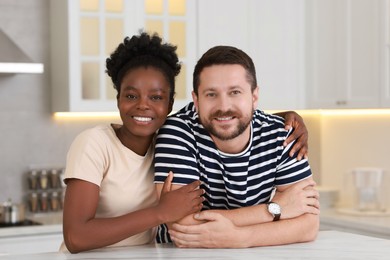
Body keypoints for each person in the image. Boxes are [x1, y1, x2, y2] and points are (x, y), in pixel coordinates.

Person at [61, 32, 309, 253]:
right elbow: (76, 237)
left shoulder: (162, 139)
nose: (143, 105)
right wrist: (276, 210)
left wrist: (282, 120)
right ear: (117, 99)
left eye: (156, 97)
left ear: (169, 105)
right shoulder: (96, 143)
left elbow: (309, 221)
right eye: (131, 95)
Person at [154, 45, 320, 248]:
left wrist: (242, 238)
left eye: (235, 92)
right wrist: (276, 209)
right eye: (211, 94)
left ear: (254, 97)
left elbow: (309, 223)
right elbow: (182, 224)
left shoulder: (282, 133)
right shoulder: (178, 132)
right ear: (196, 100)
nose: (224, 107)